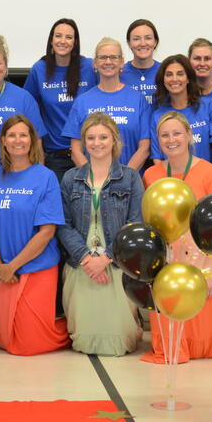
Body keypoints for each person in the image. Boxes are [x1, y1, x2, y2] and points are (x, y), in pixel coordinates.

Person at [142, 112, 212, 364]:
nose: (171, 140)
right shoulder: (151, 175)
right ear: (158, 140)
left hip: (204, 260)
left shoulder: (209, 172)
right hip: (168, 261)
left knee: (205, 340)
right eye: (165, 135)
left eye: (176, 133)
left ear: (189, 135)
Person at [0, 115, 69, 356]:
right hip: (2, 270)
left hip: (36, 267)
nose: (17, 140)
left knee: (28, 345)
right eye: (11, 135)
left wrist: (14, 266)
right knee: (5, 340)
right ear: (3, 141)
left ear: (32, 140)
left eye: (23, 135)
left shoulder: (46, 177)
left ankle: (74, 327)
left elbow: (47, 232)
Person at [57, 112, 144, 356]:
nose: (97, 143)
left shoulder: (130, 178)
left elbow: (135, 223)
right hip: (81, 263)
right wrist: (87, 259)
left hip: (117, 263)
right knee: (84, 341)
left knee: (120, 341)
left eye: (103, 137)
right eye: (91, 138)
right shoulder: (70, 178)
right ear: (84, 142)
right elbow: (63, 224)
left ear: (114, 140)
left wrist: (106, 258)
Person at [24, 18, 98, 184]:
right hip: (55, 157)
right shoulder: (39, 69)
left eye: (68, 37)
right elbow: (28, 110)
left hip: (89, 154)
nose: (63, 41)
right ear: (51, 40)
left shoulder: (89, 67)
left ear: (75, 42)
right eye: (58, 36)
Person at [62, 38, 149, 169]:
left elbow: (144, 148)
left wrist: (125, 177)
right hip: (92, 180)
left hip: (130, 178)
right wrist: (93, 177)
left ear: (122, 62)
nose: (108, 62)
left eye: (113, 57)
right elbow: (76, 151)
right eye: (103, 57)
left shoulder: (138, 99)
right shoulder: (82, 102)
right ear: (95, 63)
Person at [0, 34, 46, 187]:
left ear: (6, 66)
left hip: (15, 181)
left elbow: (37, 145)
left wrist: (36, 183)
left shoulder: (23, 98)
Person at [149, 54, 212, 171]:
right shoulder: (157, 116)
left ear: (188, 78)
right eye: (169, 74)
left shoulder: (208, 106)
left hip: (207, 178)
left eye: (180, 74)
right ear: (163, 80)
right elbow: (157, 158)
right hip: (174, 180)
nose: (174, 79)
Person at [120, 19, 160, 104]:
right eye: (136, 39)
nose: (143, 44)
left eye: (148, 38)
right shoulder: (119, 73)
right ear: (129, 43)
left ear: (155, 42)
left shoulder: (165, 72)